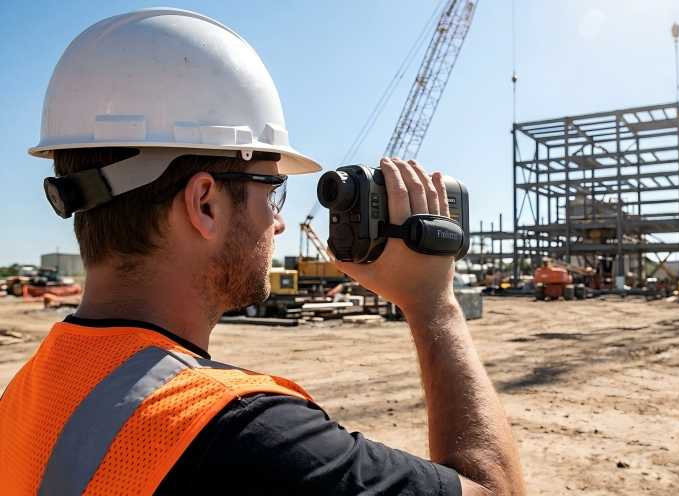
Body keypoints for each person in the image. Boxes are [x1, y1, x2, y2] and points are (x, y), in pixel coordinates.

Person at [0, 9, 524, 495]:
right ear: (204, 203)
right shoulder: (245, 436)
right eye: (271, 191)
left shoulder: (28, 394)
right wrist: (434, 303)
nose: (277, 222)